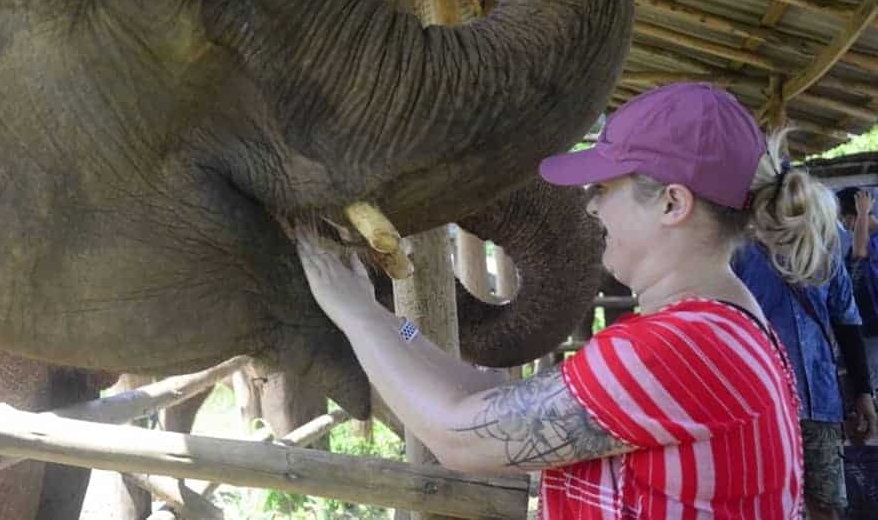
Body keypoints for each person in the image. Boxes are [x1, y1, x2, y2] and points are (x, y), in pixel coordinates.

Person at [296, 82, 839, 517]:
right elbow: (496, 400)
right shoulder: (729, 324)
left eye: (603, 188)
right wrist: (397, 329)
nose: (591, 208)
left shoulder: (676, 347)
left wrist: (354, 313)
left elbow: (460, 438)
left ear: (672, 202)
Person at [733, 231, 877, 519]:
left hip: (819, 401)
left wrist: (863, 393)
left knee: (826, 504)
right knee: (766, 504)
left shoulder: (824, 249)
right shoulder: (735, 252)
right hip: (759, 409)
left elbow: (846, 322)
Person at [840, 187, 878, 404]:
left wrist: (862, 213)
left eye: (844, 220)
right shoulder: (856, 241)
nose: (844, 226)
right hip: (867, 323)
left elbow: (860, 252)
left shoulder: (866, 240)